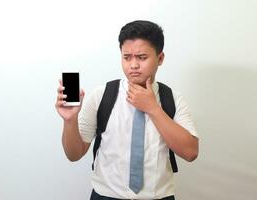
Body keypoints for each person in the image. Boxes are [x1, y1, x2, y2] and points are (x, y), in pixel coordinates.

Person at [55, 20, 199, 200]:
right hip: (106, 196)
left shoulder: (173, 99)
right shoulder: (102, 96)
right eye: (127, 57)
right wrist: (69, 121)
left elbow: (190, 152)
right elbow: (73, 154)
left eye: (142, 57)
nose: (133, 65)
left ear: (160, 58)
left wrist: (153, 108)